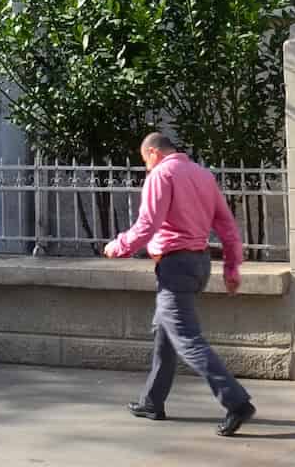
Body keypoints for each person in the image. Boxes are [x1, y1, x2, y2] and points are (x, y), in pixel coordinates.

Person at [104, 131, 257, 437]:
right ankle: (152, 401)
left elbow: (148, 224)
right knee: (165, 331)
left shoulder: (161, 174)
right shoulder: (202, 175)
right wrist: (231, 268)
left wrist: (118, 246)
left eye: (144, 161)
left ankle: (236, 401)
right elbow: (226, 224)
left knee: (187, 339)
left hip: (175, 264)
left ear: (152, 154)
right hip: (198, 262)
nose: (146, 168)